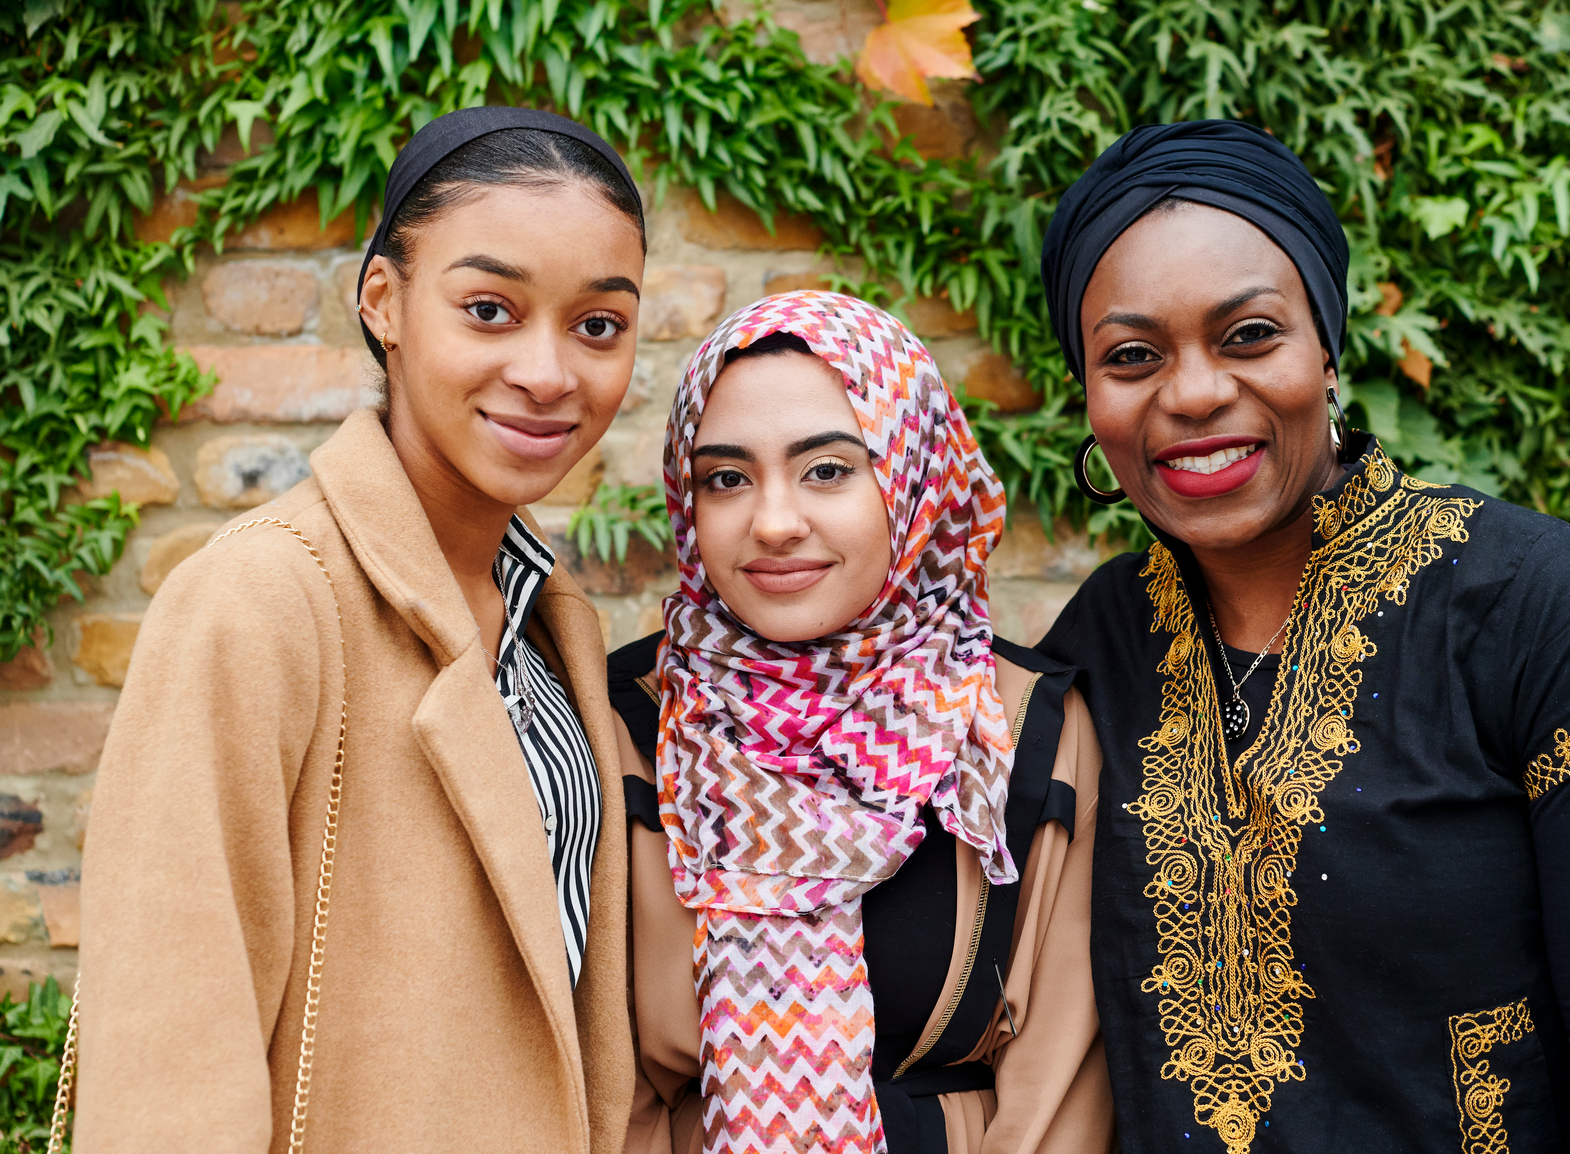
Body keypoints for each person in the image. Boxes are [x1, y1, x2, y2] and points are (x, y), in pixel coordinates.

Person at [1033, 118, 1570, 1154]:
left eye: (1249, 334)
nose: (1190, 392)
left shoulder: (1542, 613)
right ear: (1091, 396)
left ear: (1326, 345)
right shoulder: (1101, 639)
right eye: (1131, 356)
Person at [75, 107, 645, 1150]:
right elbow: (166, 1068)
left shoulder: (557, 626)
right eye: (489, 308)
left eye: (598, 324)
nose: (550, 370)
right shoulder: (260, 599)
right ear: (383, 298)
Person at [609, 291, 1113, 1154]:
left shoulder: (1024, 725)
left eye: (828, 470)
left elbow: (1058, 1095)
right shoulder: (628, 718)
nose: (773, 522)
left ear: (915, 478)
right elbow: (591, 1089)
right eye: (725, 478)